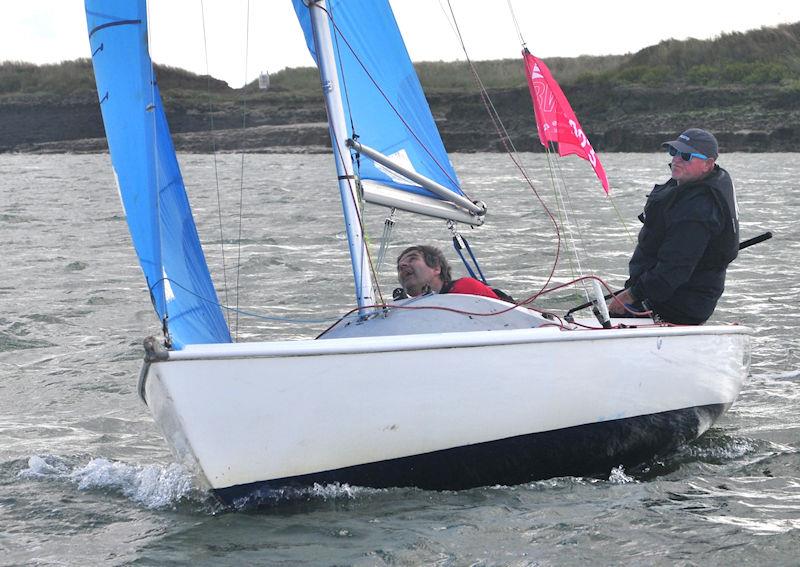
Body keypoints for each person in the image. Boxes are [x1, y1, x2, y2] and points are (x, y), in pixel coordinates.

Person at [609, 128, 740, 324]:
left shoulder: (698, 210)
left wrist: (631, 295)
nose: (677, 160)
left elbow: (674, 269)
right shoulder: (686, 185)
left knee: (615, 312)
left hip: (678, 304)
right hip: (661, 292)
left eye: (686, 156)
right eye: (674, 152)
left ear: (708, 164)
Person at [395, 245, 503, 300]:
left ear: (436, 268)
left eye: (412, 259)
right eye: (399, 266)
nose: (402, 265)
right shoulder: (402, 309)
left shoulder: (466, 287)